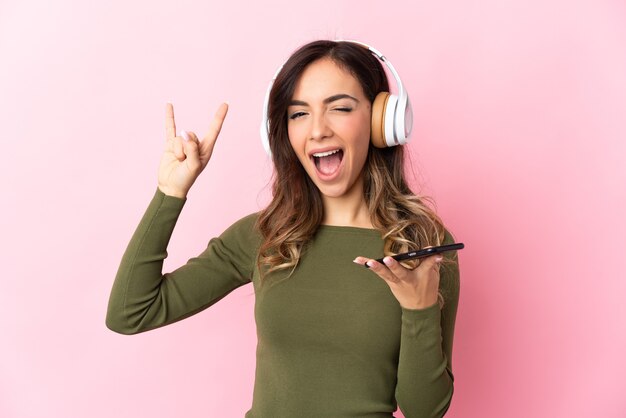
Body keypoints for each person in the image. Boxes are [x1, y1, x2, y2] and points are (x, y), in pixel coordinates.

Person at [106, 40, 461, 418]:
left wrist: (419, 308)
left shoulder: (422, 246)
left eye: (339, 108)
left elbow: (424, 411)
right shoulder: (262, 236)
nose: (318, 130)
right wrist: (170, 192)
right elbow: (131, 312)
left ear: (380, 122)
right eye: (298, 114)